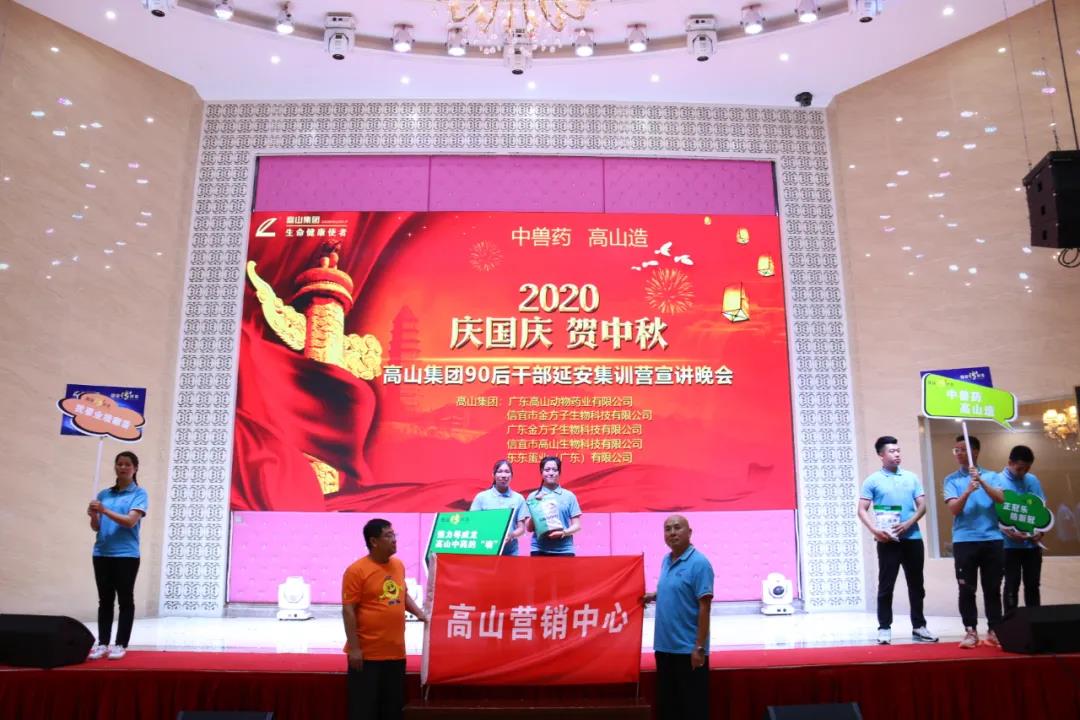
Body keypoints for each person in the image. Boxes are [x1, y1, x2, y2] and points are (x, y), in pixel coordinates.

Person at [342, 519, 428, 720]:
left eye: (394, 535)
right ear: (374, 541)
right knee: (364, 711)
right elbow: (348, 610)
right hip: (368, 656)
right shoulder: (356, 570)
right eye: (388, 536)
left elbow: (402, 594)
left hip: (396, 653)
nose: (394, 540)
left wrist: (421, 614)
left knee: (392, 709)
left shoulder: (398, 565)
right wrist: (355, 649)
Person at [857, 435, 938, 645]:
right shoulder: (872, 480)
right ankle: (884, 627)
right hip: (887, 540)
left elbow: (922, 506)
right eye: (892, 451)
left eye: (898, 451)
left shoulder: (911, 477)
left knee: (917, 585)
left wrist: (908, 523)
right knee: (886, 585)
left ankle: (919, 626)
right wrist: (875, 530)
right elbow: (862, 509)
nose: (897, 454)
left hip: (913, 538)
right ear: (881, 455)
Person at [641, 515, 713, 720]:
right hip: (664, 650)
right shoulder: (666, 560)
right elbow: (677, 589)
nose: (672, 533)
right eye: (667, 529)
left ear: (689, 532)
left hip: (688, 652)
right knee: (669, 709)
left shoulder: (700, 563)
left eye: (677, 528)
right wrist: (654, 595)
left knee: (692, 710)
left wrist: (699, 648)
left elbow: (705, 607)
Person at [943, 434, 1006, 648]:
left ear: (975, 452)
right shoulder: (951, 480)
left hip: (992, 539)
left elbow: (1000, 498)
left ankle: (994, 630)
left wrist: (981, 481)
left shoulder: (993, 476)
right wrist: (968, 490)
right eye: (956, 450)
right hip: (964, 541)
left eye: (963, 449)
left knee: (993, 588)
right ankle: (970, 631)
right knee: (966, 589)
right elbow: (954, 509)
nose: (958, 453)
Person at [86, 451, 149, 661]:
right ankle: (102, 643)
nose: (123, 467)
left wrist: (104, 511)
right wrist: (94, 515)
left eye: (127, 464)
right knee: (104, 600)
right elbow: (96, 527)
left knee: (125, 599)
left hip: (126, 555)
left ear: (135, 468)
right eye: (119, 464)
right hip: (101, 553)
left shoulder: (139, 494)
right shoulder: (104, 494)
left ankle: (120, 644)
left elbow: (130, 521)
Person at [1000, 445, 1046, 613]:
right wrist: (1005, 530)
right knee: (1011, 585)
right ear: (1010, 463)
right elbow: (992, 513)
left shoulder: (1032, 480)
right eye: (1019, 469)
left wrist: (1041, 531)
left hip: (1032, 546)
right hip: (1008, 546)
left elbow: (1041, 510)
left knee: (1033, 585)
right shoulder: (997, 481)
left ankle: (1035, 623)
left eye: (1027, 469)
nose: (1023, 473)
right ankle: (1010, 623)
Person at [523, 456, 582, 556]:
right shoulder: (533, 496)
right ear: (541, 472)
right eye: (547, 470)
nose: (551, 473)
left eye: (554, 470)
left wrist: (564, 533)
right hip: (539, 549)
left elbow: (577, 526)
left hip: (565, 550)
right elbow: (529, 528)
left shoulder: (569, 496)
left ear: (559, 472)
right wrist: (536, 507)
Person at [469, 459, 527, 556]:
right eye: (500, 471)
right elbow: (473, 523)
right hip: (486, 550)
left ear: (511, 475)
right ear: (493, 475)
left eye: (507, 472)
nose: (503, 475)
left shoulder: (518, 498)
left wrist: (511, 535)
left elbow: (521, 528)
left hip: (511, 552)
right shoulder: (481, 497)